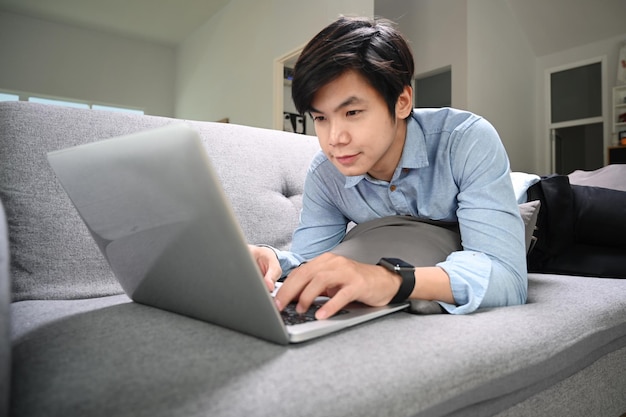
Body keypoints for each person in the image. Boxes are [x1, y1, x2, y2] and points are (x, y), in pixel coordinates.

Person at [249, 16, 527, 320]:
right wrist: (275, 260)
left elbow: (507, 277)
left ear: (402, 102)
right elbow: (311, 260)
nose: (334, 140)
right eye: (321, 118)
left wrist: (390, 279)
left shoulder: (465, 139)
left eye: (352, 112)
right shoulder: (325, 173)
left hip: (536, 207)